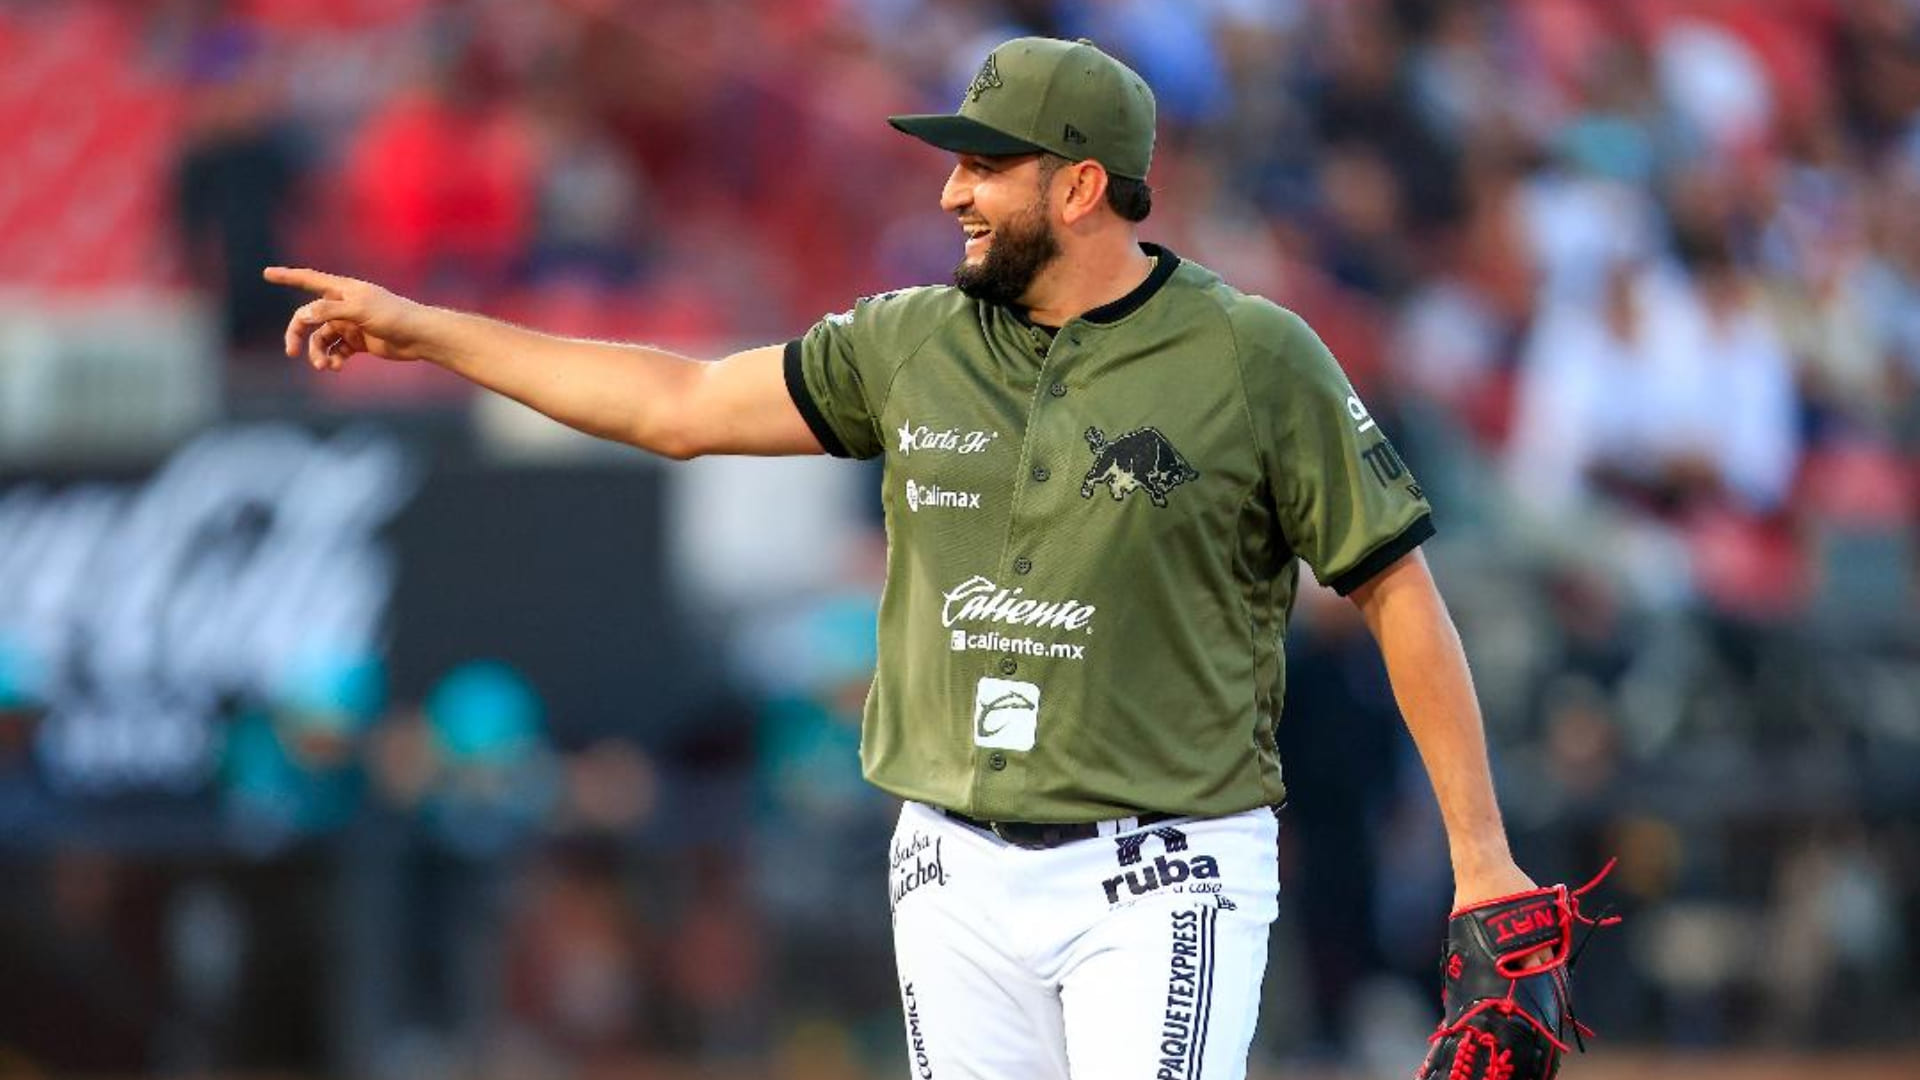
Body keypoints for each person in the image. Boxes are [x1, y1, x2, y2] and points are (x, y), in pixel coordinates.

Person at [270, 36, 1545, 1080]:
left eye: (987, 166)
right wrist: (427, 331)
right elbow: (677, 404)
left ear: (1081, 186)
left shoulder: (1256, 357)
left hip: (1161, 868)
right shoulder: (910, 339)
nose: (952, 193)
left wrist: (1481, 858)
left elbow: (1393, 588)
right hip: (950, 861)